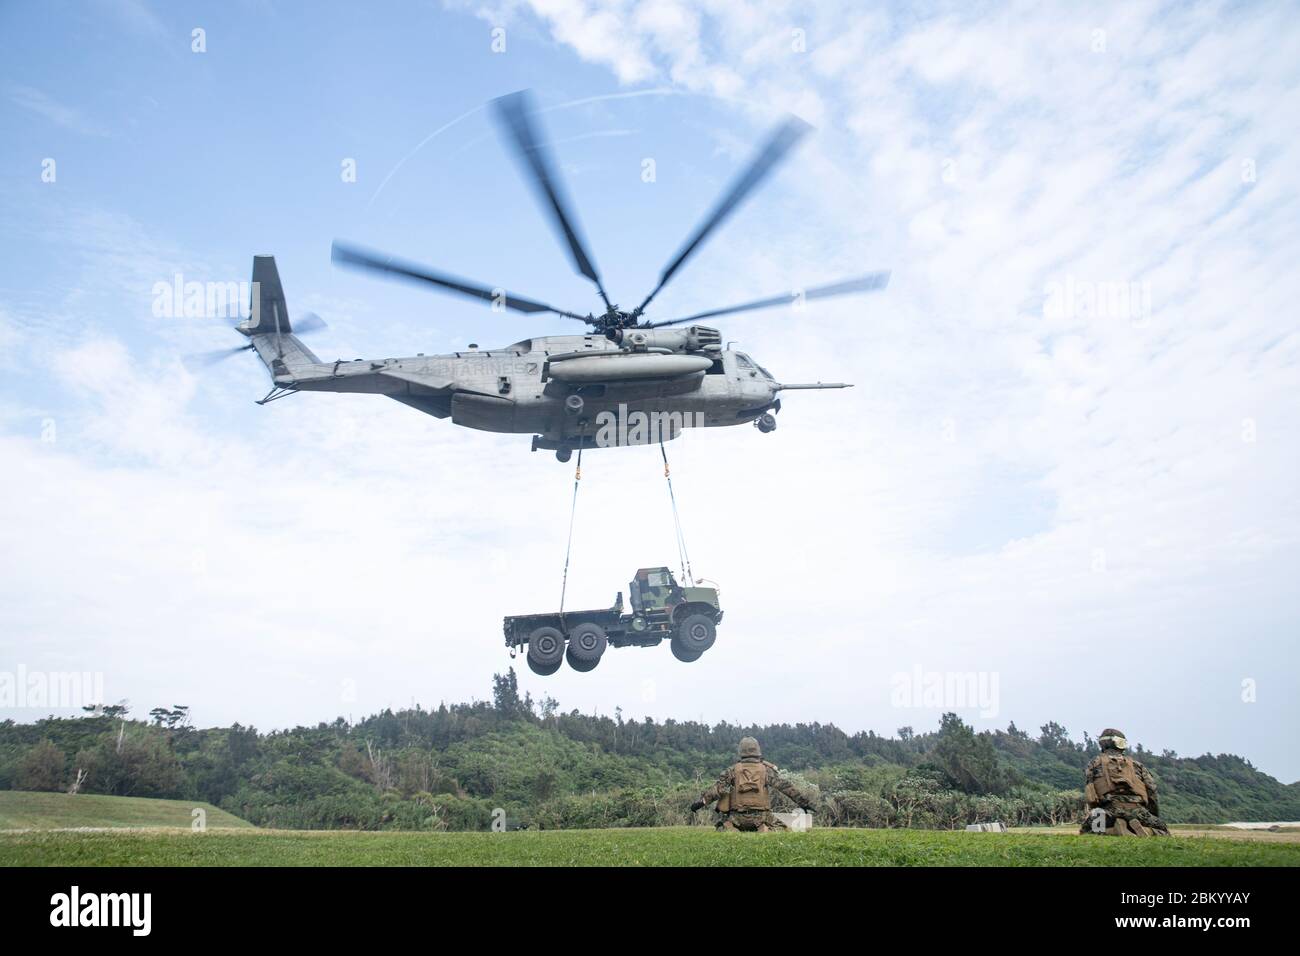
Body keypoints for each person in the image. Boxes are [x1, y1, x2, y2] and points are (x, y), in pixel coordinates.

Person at [690, 737, 815, 832]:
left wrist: (700, 803)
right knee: (783, 828)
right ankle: (764, 828)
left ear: (741, 751)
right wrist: (804, 803)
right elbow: (786, 787)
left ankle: (729, 827)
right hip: (762, 817)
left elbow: (716, 790)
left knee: (723, 815)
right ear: (758, 751)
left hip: (737, 818)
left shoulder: (732, 770)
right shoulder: (766, 770)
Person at [1079, 728, 1170, 837]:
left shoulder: (1094, 764)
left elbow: (1091, 794)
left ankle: (1114, 831)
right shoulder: (1137, 765)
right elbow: (1152, 791)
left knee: (1088, 832)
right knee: (1163, 830)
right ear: (1122, 744)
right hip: (1138, 811)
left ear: (1102, 744)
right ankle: (1146, 831)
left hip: (1107, 812)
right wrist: (1152, 815)